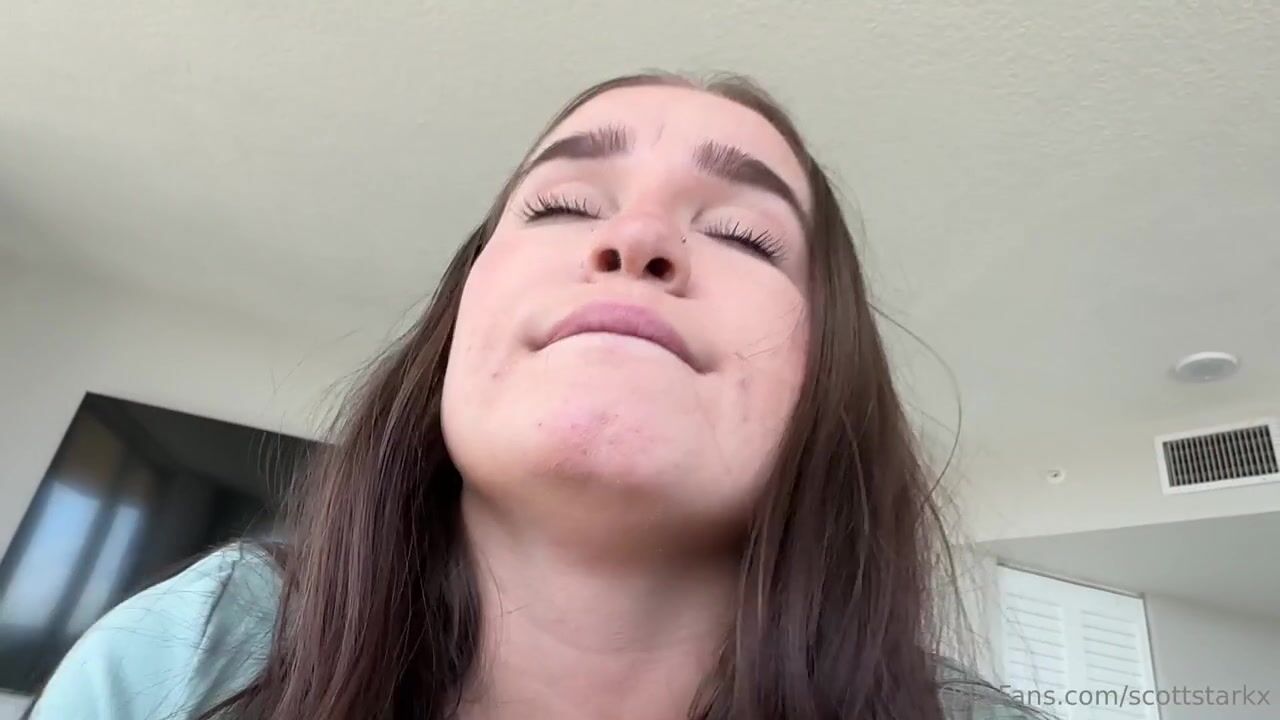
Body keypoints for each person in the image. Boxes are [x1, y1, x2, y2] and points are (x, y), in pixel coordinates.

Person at [31, 72, 1037, 720]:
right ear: (458, 313)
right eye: (560, 206)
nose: (635, 240)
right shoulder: (187, 654)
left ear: (828, 371)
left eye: (742, 235)